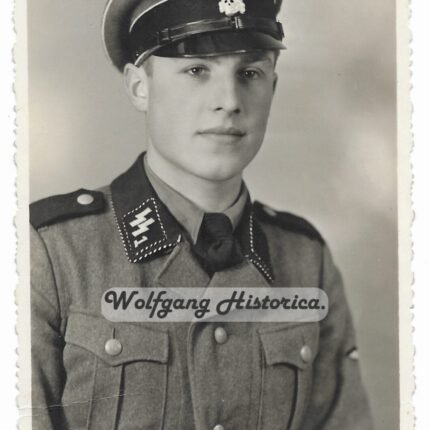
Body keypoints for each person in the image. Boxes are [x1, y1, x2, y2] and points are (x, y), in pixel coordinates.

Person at [29, 0, 373, 429]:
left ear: (273, 88)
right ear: (139, 87)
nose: (229, 101)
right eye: (197, 70)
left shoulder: (306, 259)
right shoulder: (51, 254)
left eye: (249, 73)